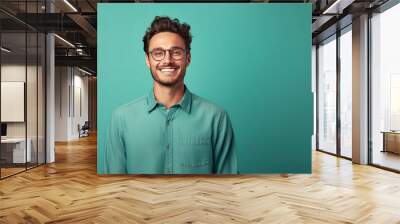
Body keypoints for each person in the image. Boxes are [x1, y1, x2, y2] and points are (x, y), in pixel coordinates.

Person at [105, 16, 237, 174]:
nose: (167, 60)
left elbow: (227, 187)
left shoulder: (216, 118)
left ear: (188, 58)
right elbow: (114, 188)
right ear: (148, 60)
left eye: (176, 52)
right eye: (158, 53)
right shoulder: (121, 119)